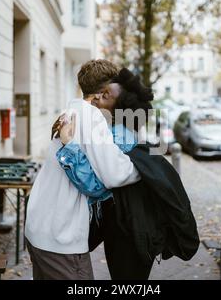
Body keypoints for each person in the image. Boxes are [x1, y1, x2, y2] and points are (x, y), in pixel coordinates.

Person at [55, 68, 200, 280]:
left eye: (107, 96)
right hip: (131, 223)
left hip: (130, 226)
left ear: (120, 104)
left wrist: (70, 148)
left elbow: (98, 185)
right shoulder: (121, 129)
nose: (97, 100)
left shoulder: (116, 134)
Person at [24, 60, 141, 280]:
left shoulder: (71, 111)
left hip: (39, 229)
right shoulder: (92, 116)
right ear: (103, 93)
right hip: (60, 238)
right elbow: (116, 173)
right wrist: (146, 167)